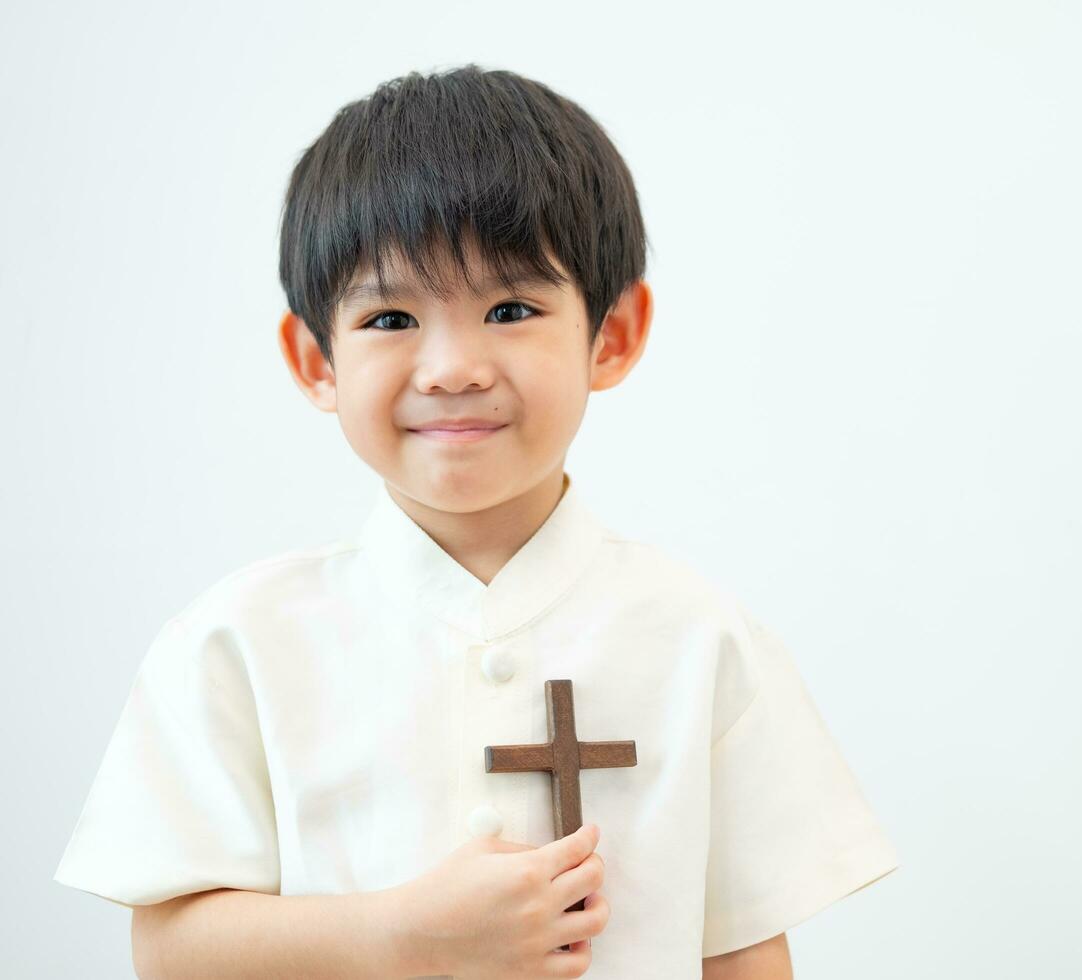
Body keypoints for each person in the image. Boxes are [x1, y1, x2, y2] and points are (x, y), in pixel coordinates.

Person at [53, 65, 899, 979]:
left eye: (510, 309)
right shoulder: (236, 645)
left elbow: (743, 947)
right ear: (314, 359)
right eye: (390, 316)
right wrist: (401, 938)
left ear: (610, 335)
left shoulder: (702, 638)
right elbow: (170, 949)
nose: (452, 368)